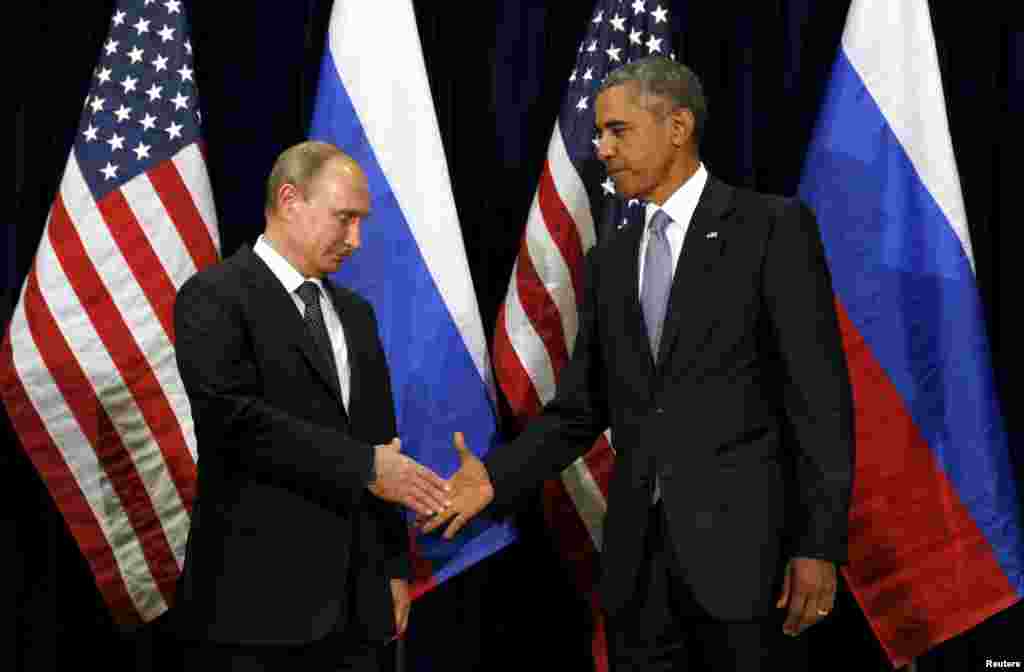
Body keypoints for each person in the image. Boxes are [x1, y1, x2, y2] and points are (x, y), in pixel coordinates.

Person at [425, 56, 854, 671]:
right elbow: (582, 405)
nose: (601, 148)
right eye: (599, 133)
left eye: (617, 130)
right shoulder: (612, 257)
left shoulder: (771, 229)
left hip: (745, 562)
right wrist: (495, 477)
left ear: (677, 127)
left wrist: (819, 544)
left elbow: (818, 400)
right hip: (638, 570)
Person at [173, 141, 450, 671]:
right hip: (257, 609)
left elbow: (380, 441)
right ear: (289, 200)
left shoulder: (356, 313)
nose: (356, 239)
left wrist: (393, 566)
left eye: (361, 222)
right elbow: (231, 420)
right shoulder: (215, 297)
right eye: (344, 219)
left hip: (357, 605)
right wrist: (364, 466)